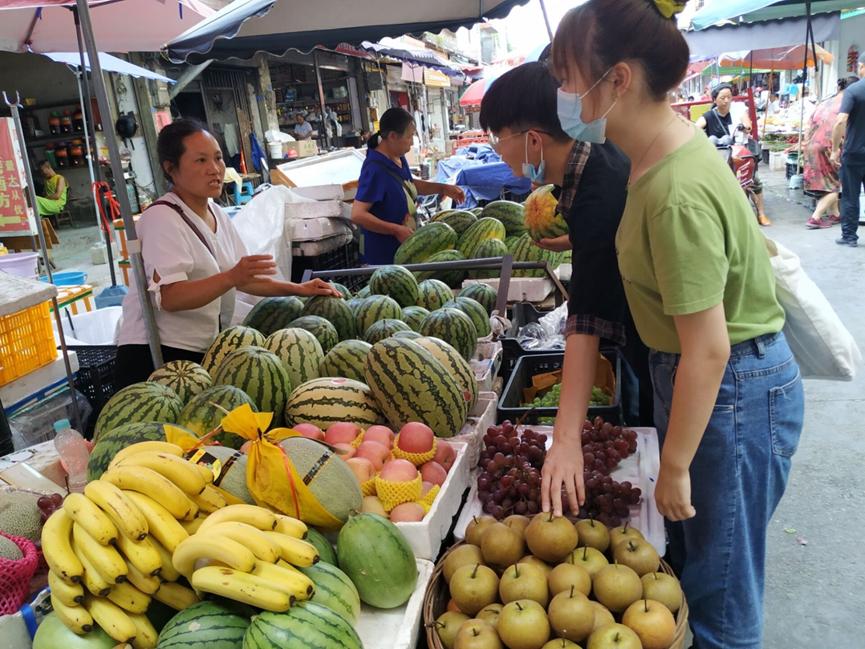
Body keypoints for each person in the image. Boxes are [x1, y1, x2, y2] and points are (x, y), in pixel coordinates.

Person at [550, 2, 804, 649]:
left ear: (618, 79)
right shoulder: (648, 159)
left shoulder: (673, 190)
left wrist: (676, 464)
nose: (562, 94)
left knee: (720, 597)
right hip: (706, 385)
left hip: (729, 392)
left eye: (567, 76)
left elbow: (709, 349)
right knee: (702, 573)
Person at [479, 61, 653, 433]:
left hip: (663, 350)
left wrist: (566, 435)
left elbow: (586, 323)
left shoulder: (597, 193)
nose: (497, 151)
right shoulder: (595, 157)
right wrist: (576, 240)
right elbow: (611, 230)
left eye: (498, 137)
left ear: (533, 140)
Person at [115, 119, 338, 386]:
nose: (215, 169)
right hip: (157, 357)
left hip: (200, 353)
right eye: (201, 160)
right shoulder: (161, 219)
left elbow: (245, 279)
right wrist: (231, 277)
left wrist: (299, 289)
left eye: (218, 158)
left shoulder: (216, 213)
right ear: (170, 168)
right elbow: (171, 296)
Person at [351, 108, 465, 265]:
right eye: (409, 136)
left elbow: (409, 184)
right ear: (393, 136)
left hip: (405, 253)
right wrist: (395, 230)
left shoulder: (398, 157)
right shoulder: (374, 169)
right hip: (382, 258)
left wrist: (443, 188)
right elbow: (357, 215)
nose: (412, 142)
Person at [696, 83, 771, 225]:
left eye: (729, 97)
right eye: (722, 98)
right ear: (714, 100)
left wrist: (745, 127)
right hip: (719, 158)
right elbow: (696, 128)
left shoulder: (738, 110)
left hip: (739, 154)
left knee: (754, 180)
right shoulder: (709, 116)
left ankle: (761, 213)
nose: (726, 101)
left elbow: (748, 125)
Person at [804, 76, 860, 229]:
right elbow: (842, 125)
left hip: (811, 145)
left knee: (828, 181)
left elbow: (809, 125)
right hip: (828, 146)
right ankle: (815, 218)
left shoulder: (825, 102)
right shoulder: (848, 103)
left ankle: (835, 214)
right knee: (834, 185)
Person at [831, 52, 865, 247]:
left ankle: (850, 236)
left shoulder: (853, 91)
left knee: (850, 195)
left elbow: (840, 121)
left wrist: (835, 149)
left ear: (863, 67)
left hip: (854, 152)